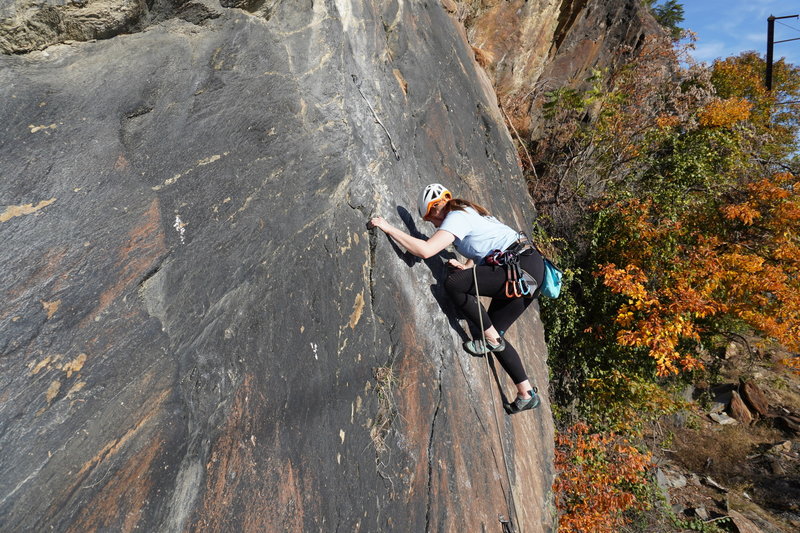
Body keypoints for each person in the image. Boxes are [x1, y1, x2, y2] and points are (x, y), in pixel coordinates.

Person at [367, 183, 544, 414]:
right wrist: (468, 267)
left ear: (436, 207)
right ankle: (526, 393)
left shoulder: (456, 216)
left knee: (454, 284)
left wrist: (388, 228)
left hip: (519, 269)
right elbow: (485, 247)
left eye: (430, 218)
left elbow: (426, 250)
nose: (432, 224)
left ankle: (491, 340)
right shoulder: (472, 212)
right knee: (488, 332)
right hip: (529, 274)